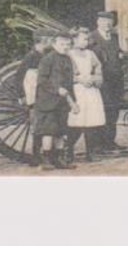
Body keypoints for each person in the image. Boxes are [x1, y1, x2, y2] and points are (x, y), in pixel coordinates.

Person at [33, 31, 79, 170]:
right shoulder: (47, 59)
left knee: (61, 130)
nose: (65, 47)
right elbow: (42, 80)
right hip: (48, 101)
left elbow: (69, 83)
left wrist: (74, 101)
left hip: (63, 102)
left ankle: (58, 159)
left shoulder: (68, 59)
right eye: (62, 44)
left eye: (68, 44)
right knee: (48, 131)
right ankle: (46, 159)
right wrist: (56, 89)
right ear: (54, 44)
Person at [87, 10, 128, 151]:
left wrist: (122, 55)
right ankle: (98, 144)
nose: (107, 24)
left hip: (115, 80)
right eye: (104, 21)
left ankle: (110, 141)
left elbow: (116, 53)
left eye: (109, 22)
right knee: (101, 110)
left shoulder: (114, 37)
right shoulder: (91, 38)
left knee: (113, 111)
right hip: (101, 82)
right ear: (98, 22)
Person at [66, 27, 107, 164]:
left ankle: (90, 152)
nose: (86, 42)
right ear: (74, 40)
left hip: (91, 91)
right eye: (83, 39)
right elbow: (67, 74)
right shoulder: (69, 55)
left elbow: (98, 68)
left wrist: (96, 78)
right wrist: (80, 79)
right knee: (77, 122)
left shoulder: (90, 54)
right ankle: (69, 150)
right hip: (77, 90)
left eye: (87, 39)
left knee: (92, 122)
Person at [20, 33, 49, 167]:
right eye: (47, 41)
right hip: (33, 94)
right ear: (40, 42)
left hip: (44, 93)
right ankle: (36, 155)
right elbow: (19, 76)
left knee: (45, 124)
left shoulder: (46, 55)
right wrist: (22, 96)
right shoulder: (31, 57)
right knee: (37, 125)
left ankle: (46, 153)